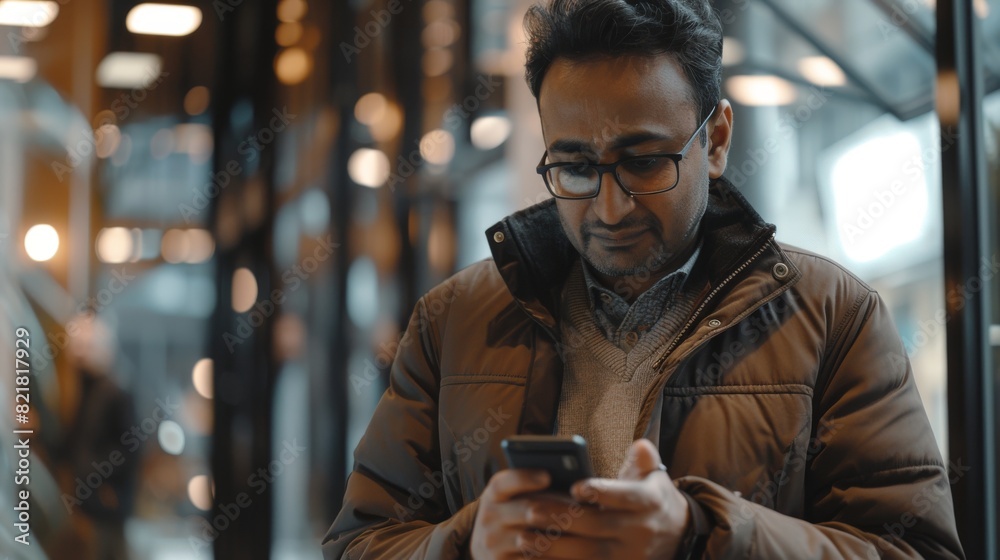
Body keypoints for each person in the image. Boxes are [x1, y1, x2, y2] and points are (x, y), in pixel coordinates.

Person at [322, 0, 965, 558]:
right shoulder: (451, 321)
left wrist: (701, 533)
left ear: (714, 140)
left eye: (645, 161)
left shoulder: (835, 317)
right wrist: (467, 543)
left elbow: (913, 548)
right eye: (574, 166)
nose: (609, 208)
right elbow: (360, 543)